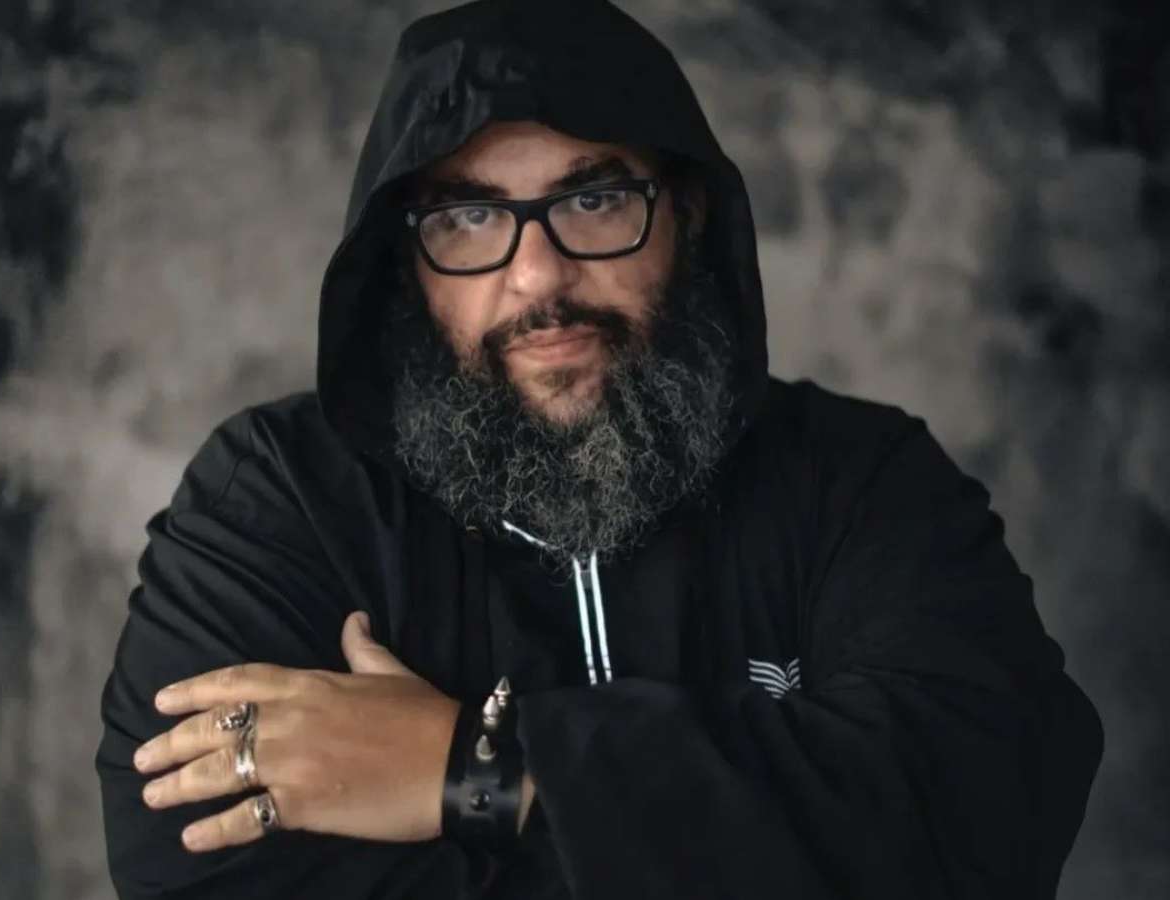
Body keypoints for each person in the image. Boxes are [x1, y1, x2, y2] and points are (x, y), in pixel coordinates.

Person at [95, 1, 1103, 897]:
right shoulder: (278, 499)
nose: (538, 277)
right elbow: (194, 867)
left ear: (687, 214)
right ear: (407, 261)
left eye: (594, 200)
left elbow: (989, 811)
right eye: (470, 215)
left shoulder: (859, 480)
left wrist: (479, 773)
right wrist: (765, 825)